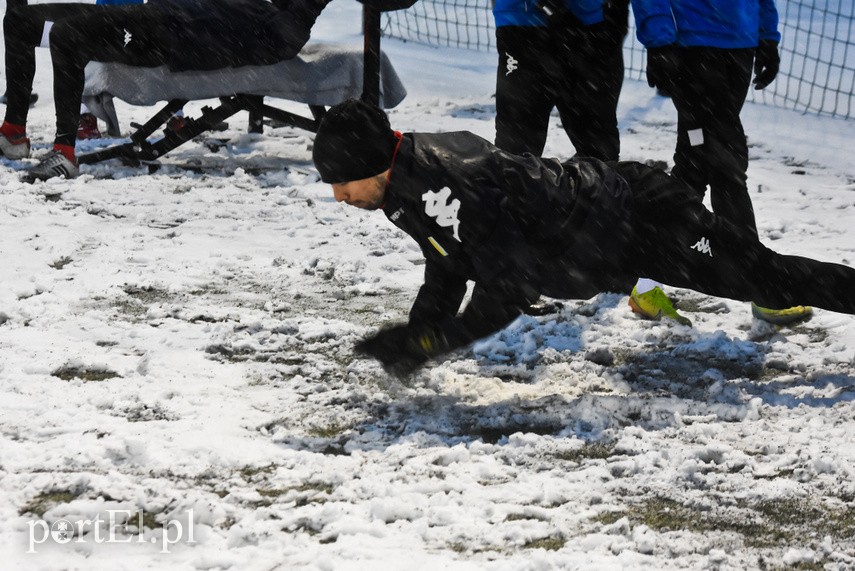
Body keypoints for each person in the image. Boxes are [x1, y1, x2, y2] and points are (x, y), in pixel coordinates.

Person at [311, 99, 855, 375]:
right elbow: (448, 261)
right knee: (772, 279)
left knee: (773, 280)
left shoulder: (449, 182)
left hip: (643, 217)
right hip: (609, 236)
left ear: (373, 163)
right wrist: (420, 333)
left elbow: (507, 289)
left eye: (341, 182)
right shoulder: (402, 182)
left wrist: (431, 343)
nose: (339, 196)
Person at [493, 0, 687, 324]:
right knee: (516, 159)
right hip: (525, 26)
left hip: (590, 27)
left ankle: (610, 270)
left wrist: (658, 41)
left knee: (601, 157)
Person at [0, 0, 331, 180]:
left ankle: (65, 154)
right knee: (18, 22)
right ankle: (14, 133)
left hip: (171, 36)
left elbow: (286, 36)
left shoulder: (278, 25)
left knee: (68, 35)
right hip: (162, 13)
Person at [630, 0, 808, 324]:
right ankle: (764, 287)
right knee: (727, 167)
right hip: (692, 46)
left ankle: (645, 282)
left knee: (694, 169)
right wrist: (659, 42)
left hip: (740, 46)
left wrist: (766, 34)